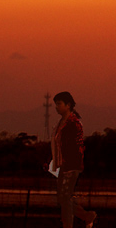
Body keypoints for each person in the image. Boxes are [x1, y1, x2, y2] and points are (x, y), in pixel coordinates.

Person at [51, 91, 97, 228]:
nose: (56, 107)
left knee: (65, 198)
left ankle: (68, 225)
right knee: (63, 198)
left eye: (59, 104)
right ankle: (86, 216)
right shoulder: (61, 123)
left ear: (68, 105)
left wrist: (68, 164)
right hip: (61, 165)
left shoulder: (74, 123)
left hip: (70, 165)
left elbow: (75, 147)